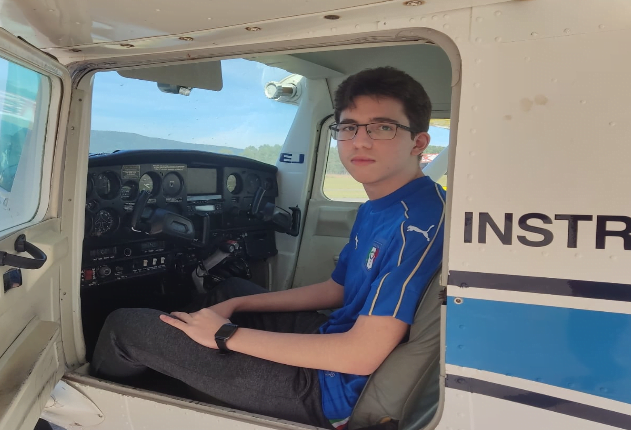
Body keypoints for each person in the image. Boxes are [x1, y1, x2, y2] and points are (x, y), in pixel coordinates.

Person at [91, 67, 446, 429]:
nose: (360, 141)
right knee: (228, 290)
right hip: (334, 342)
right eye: (349, 127)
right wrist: (235, 305)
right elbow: (337, 290)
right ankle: (174, 367)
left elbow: (361, 355)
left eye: (382, 127)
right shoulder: (383, 205)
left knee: (124, 326)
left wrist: (224, 335)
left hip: (330, 391)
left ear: (418, 143)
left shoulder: (415, 225)